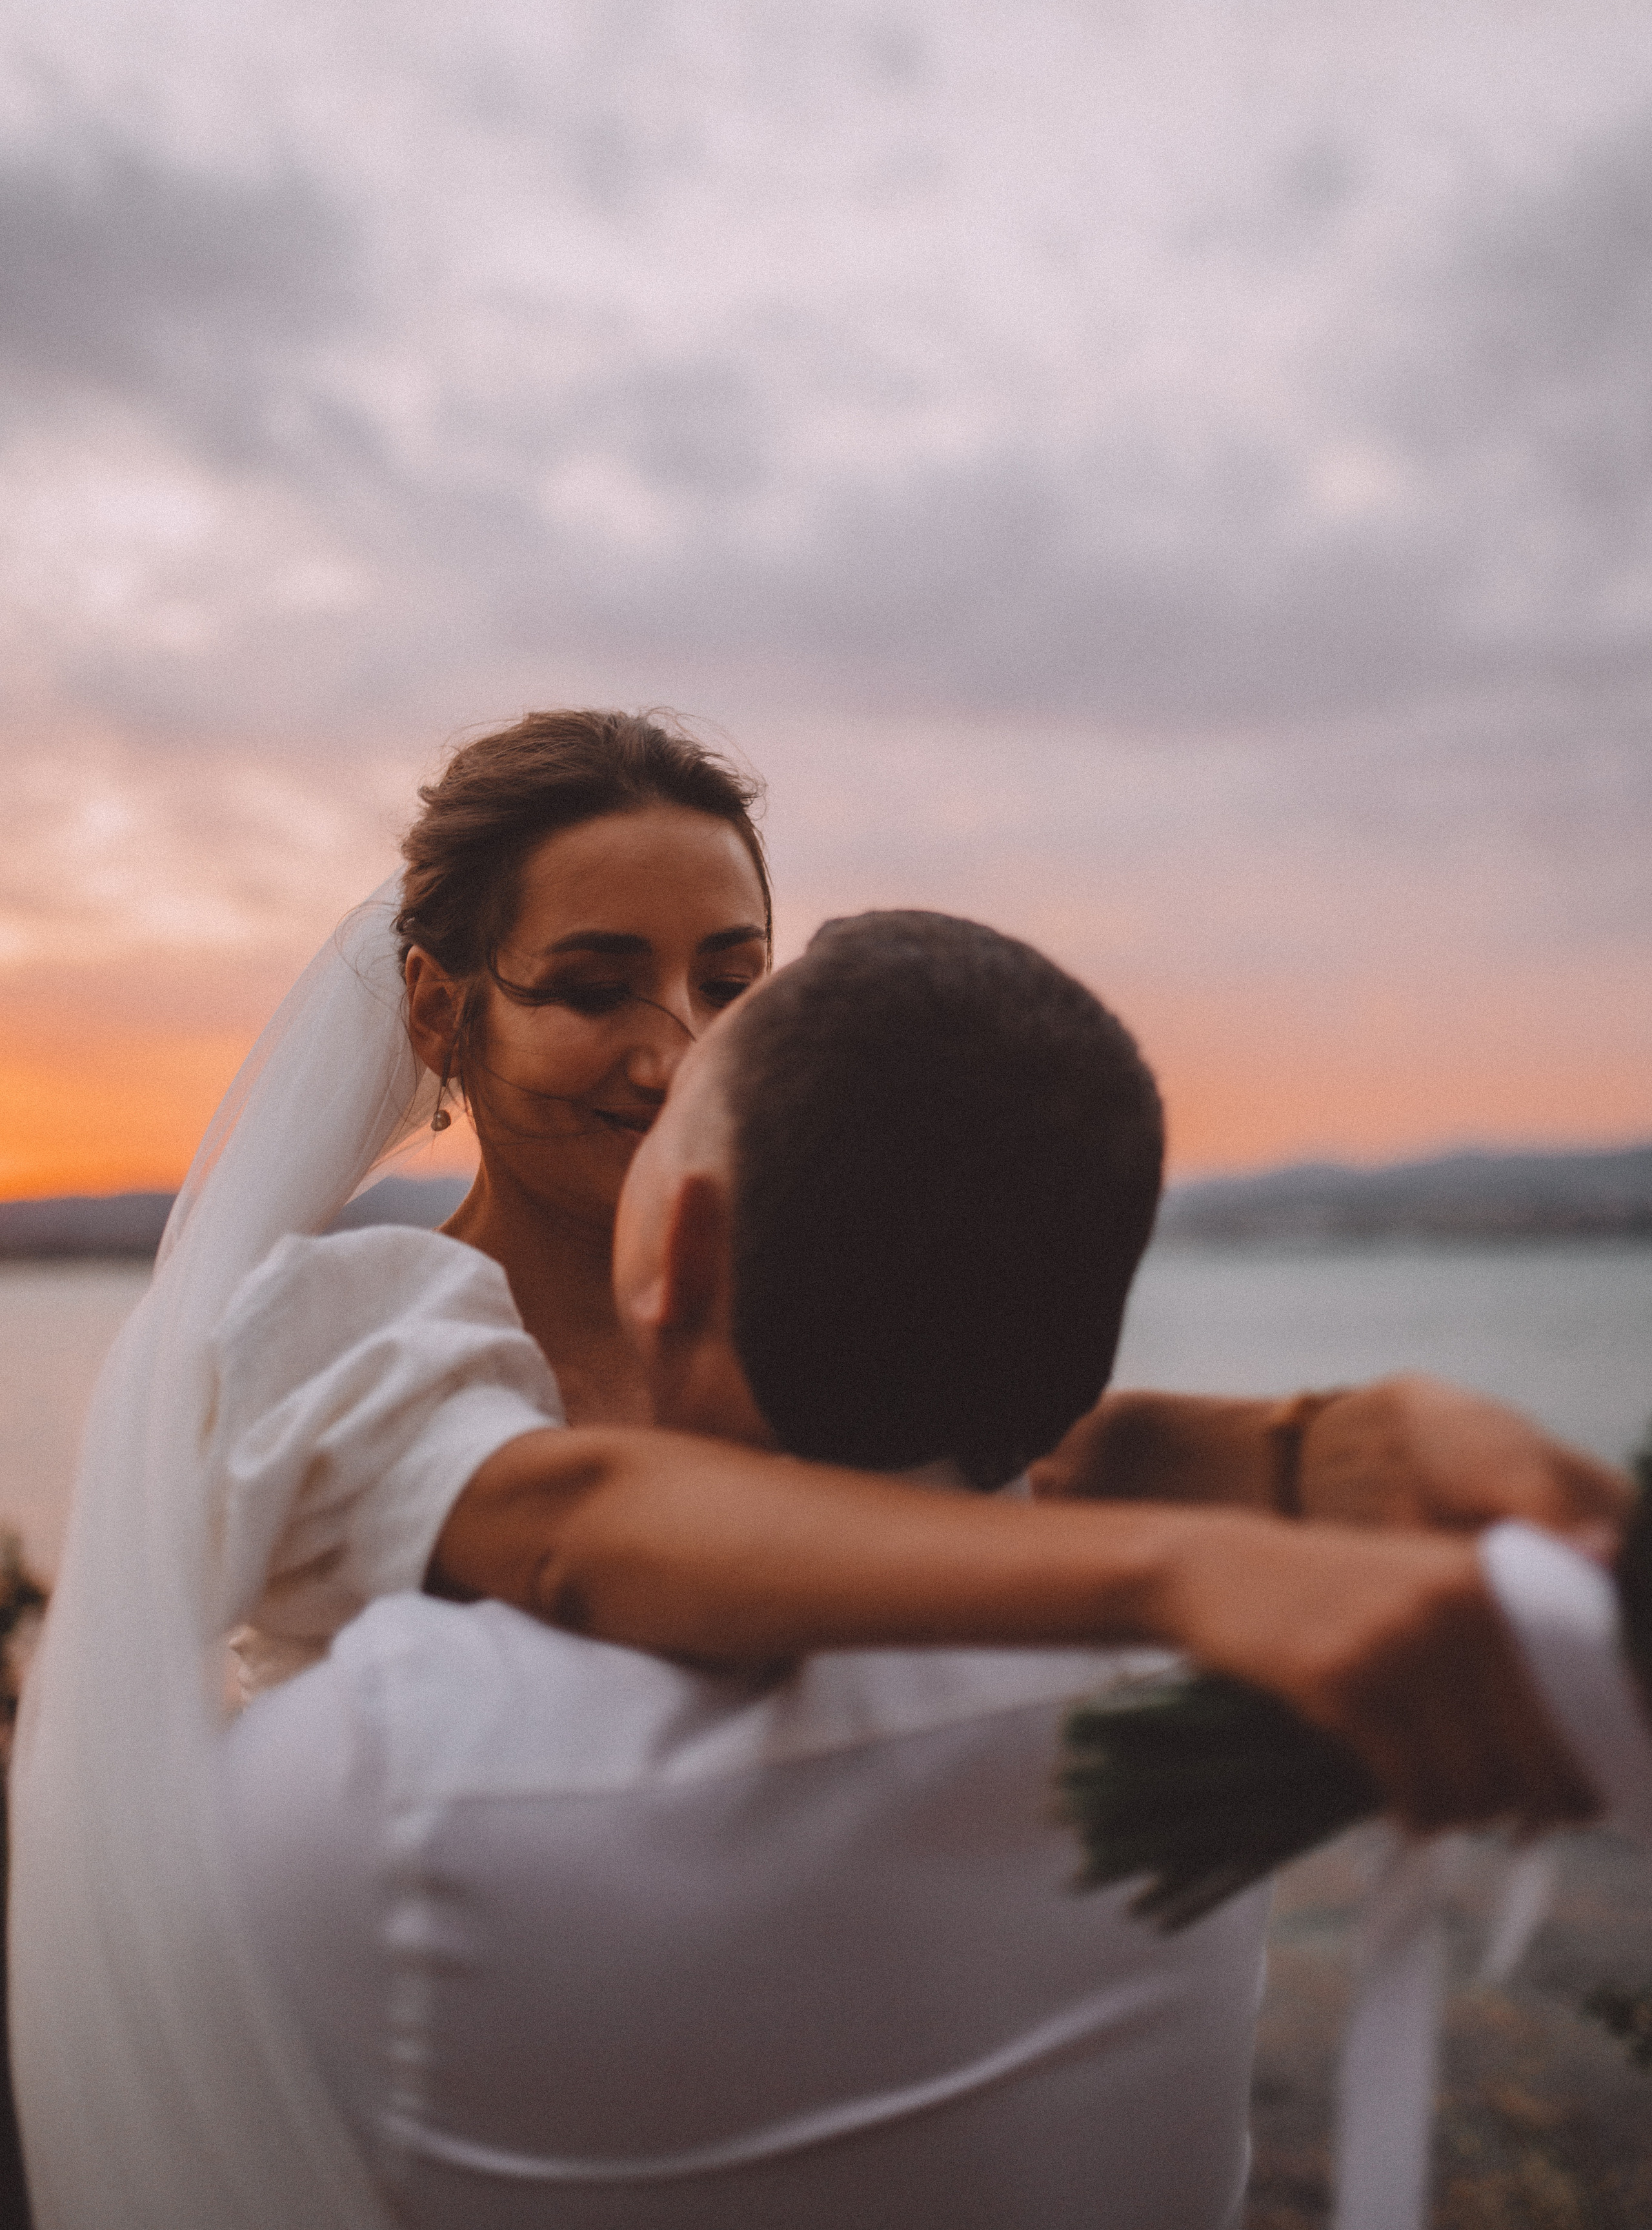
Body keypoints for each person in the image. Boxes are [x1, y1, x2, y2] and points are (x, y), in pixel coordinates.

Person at [9, 715, 1622, 2230]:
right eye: (592, 985)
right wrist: (1189, 1557)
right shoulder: (348, 1339)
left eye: (731, 978)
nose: (675, 1051)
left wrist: (1279, 1448)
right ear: (443, 1014)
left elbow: (978, 1464)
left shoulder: (794, 1301)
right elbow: (586, 1529)